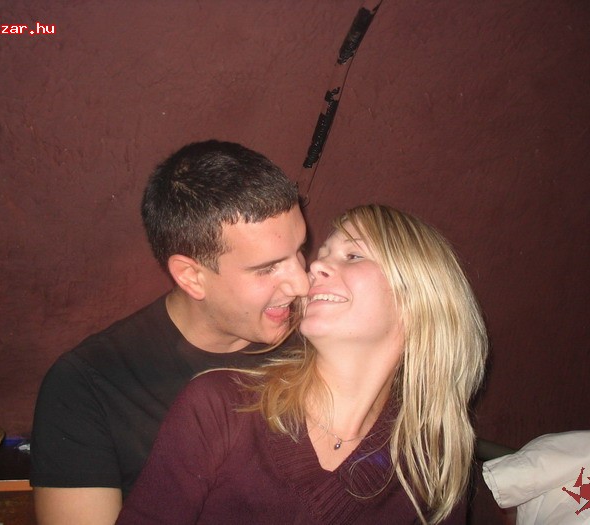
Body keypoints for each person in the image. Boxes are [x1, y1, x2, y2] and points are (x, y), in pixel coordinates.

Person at [116, 204, 488, 525]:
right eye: (322, 254)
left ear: (418, 301)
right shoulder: (223, 406)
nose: (315, 266)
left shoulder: (431, 466)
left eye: (353, 256)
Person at [30, 140, 310, 525]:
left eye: (300, 251)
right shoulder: (87, 385)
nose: (302, 283)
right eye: (267, 268)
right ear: (191, 276)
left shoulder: (319, 340)